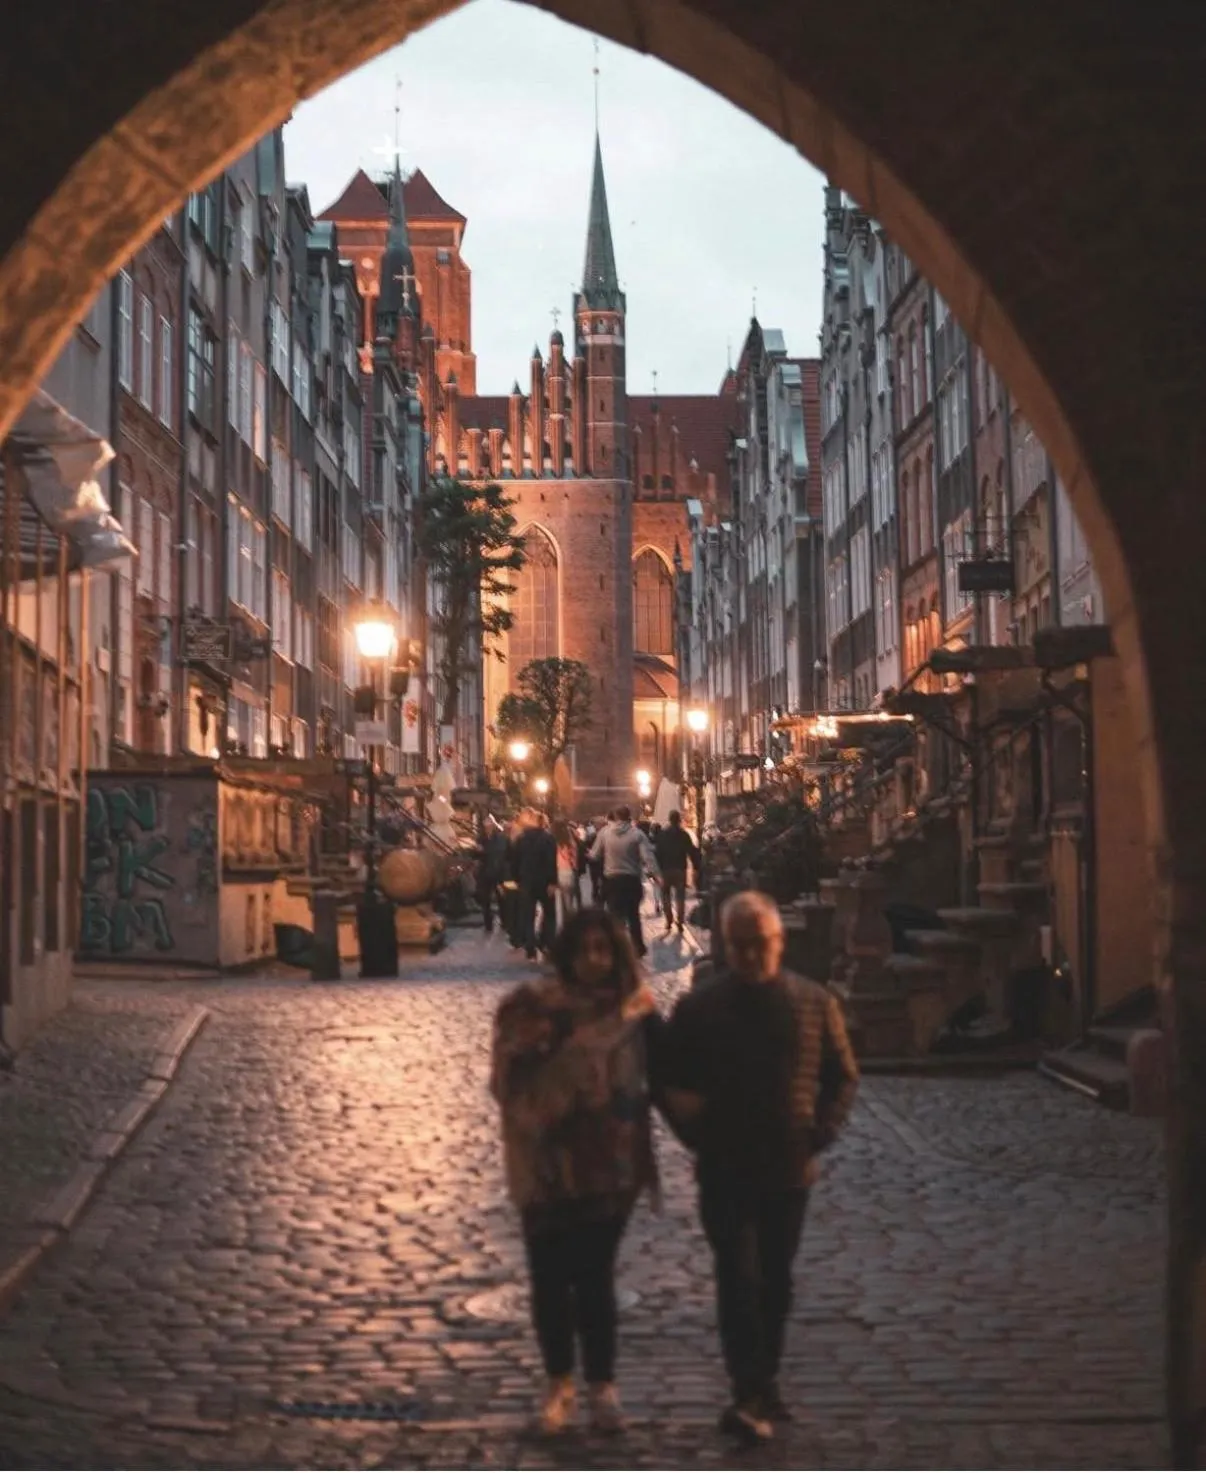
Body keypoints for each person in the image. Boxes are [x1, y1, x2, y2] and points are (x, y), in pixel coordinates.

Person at [662, 891, 859, 1444]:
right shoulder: (702, 1008)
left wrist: (821, 1131)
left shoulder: (813, 1002)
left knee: (775, 1281)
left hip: (788, 1167)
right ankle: (747, 1387)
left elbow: (842, 1075)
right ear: (727, 947)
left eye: (760, 944)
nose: (750, 955)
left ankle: (764, 1380)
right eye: (740, 945)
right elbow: (671, 1081)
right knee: (738, 1277)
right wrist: (696, 1136)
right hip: (724, 1167)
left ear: (779, 943)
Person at [490, 907, 664, 1435]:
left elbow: (670, 1076)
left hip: (610, 1168)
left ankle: (602, 1387)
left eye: (603, 949)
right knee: (549, 1280)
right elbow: (506, 1084)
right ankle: (559, 1383)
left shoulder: (636, 1014)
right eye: (585, 949)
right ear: (567, 952)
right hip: (543, 1166)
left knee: (594, 1278)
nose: (594, 960)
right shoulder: (530, 1007)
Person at [589, 805, 659, 957]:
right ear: (629, 817)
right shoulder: (637, 834)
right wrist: (656, 874)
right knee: (633, 915)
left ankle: (616, 947)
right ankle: (638, 946)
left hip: (612, 880)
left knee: (615, 916)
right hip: (631, 879)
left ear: (615, 816)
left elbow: (594, 855)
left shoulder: (604, 833)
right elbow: (648, 857)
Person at [512, 810, 558, 959]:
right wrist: (552, 881)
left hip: (526, 881)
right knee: (549, 913)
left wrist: (517, 879)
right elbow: (552, 862)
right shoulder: (548, 838)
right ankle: (547, 941)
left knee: (528, 915)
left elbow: (514, 861)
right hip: (544, 881)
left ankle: (530, 945)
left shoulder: (521, 839)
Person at [654, 809, 701, 936]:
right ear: (678, 819)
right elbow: (691, 851)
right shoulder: (684, 834)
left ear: (669, 819)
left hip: (666, 869)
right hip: (680, 869)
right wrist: (696, 866)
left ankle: (668, 919)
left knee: (665, 895)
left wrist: (657, 868)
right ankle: (680, 921)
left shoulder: (662, 835)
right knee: (680, 896)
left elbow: (657, 853)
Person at [476, 816, 510, 934]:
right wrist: (476, 851)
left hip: (498, 872)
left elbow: (498, 852)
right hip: (485, 873)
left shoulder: (500, 838)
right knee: (485, 899)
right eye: (486, 827)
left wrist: (483, 850)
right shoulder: (481, 838)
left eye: (489, 826)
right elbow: (478, 855)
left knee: (501, 899)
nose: (488, 829)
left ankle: (505, 921)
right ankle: (488, 924)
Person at [553, 820, 580, 927]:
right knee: (569, 903)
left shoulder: (553, 842)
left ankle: (563, 926)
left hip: (557, 872)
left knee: (560, 904)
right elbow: (575, 862)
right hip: (568, 872)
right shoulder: (571, 843)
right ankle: (571, 925)